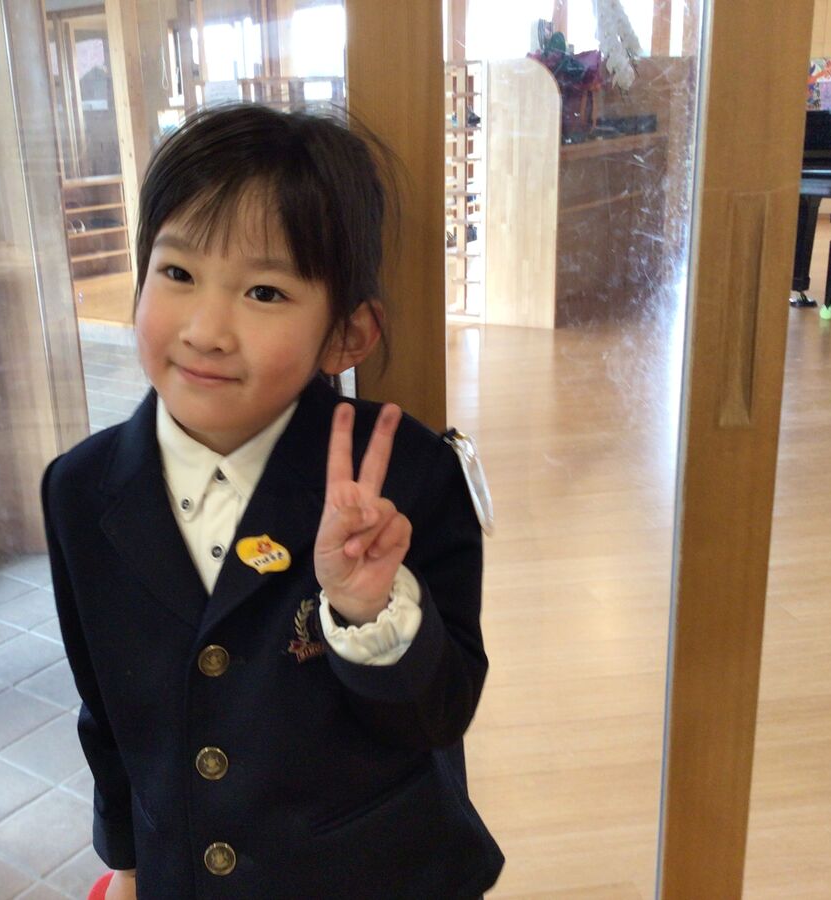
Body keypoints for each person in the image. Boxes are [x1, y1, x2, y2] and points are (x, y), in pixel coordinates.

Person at [42, 103, 504, 899]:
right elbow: (106, 710)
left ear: (347, 335)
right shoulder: (80, 488)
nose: (206, 330)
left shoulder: (407, 477)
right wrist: (127, 862)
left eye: (263, 291)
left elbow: (439, 714)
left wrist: (367, 611)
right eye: (177, 274)